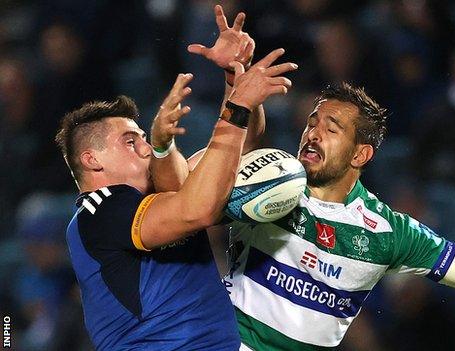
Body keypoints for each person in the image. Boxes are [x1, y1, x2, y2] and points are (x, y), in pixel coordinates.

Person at [153, 8, 455, 351]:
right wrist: (242, 87)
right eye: (312, 122)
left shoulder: (387, 232)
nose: (313, 131)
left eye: (331, 128)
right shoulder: (274, 182)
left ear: (362, 153)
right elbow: (239, 152)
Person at [54, 6, 297, 348]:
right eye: (130, 140)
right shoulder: (99, 211)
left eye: (142, 136)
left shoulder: (160, 191)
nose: (144, 147)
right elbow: (198, 209)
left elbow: (243, 152)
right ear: (92, 160)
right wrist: (238, 105)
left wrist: (234, 78)